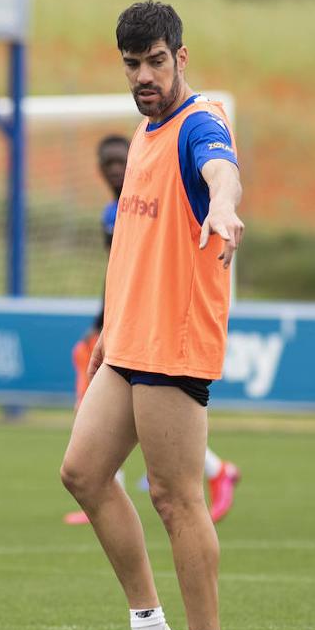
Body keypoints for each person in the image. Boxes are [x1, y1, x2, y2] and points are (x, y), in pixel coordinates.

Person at [59, 0, 244, 630]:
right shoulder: (144, 132)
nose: (144, 74)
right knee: (82, 473)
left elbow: (220, 169)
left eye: (156, 61)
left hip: (175, 343)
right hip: (130, 342)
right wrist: (108, 335)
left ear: (181, 57)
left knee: (175, 498)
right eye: (133, 63)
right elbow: (136, 249)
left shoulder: (199, 123)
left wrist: (223, 202)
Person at [65, 134, 241, 526]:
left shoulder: (156, 191)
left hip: (159, 328)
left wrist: (224, 202)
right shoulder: (115, 211)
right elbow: (117, 273)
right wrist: (105, 323)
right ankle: (112, 485)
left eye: (117, 159)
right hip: (125, 325)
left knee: (172, 489)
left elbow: (223, 172)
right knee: (104, 446)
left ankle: (214, 472)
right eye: (106, 161)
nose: (113, 167)